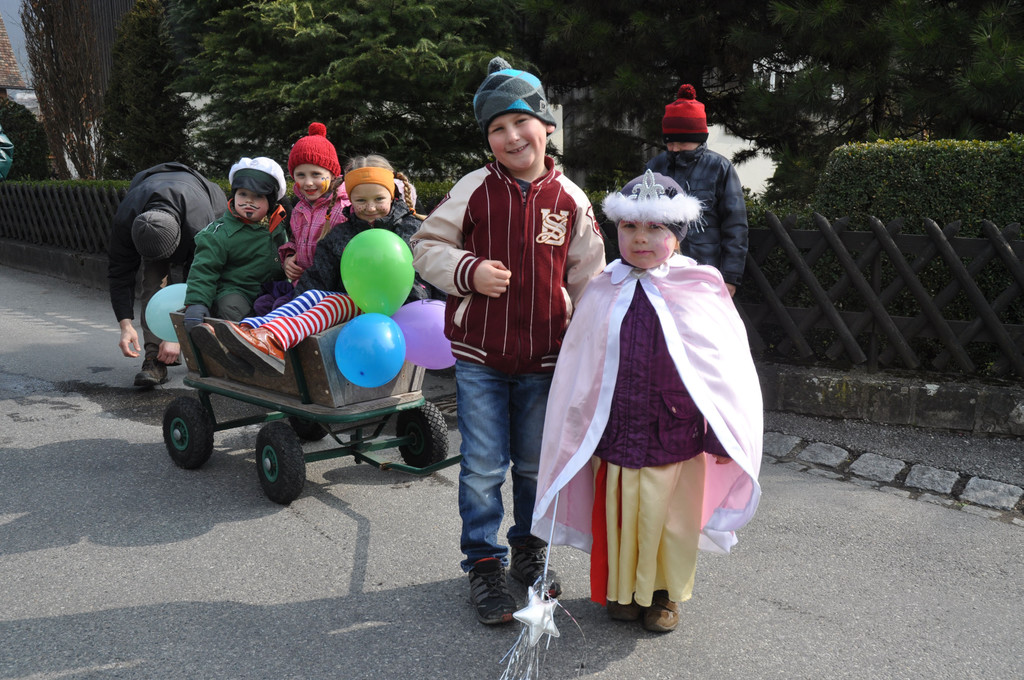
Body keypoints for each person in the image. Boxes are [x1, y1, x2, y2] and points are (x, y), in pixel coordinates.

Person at [410, 57, 606, 626]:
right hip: (481, 357)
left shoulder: (571, 199)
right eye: (497, 128)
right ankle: (483, 562)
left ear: (546, 126)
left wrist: (594, 346)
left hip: (546, 361)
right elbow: (426, 247)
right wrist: (469, 271)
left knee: (534, 467)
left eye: (521, 121)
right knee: (482, 466)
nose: (511, 136)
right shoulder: (473, 188)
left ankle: (528, 551)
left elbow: (590, 280)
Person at [531, 170, 762, 633]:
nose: (640, 238)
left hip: (675, 430)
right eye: (630, 227)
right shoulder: (602, 287)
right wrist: (578, 425)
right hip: (616, 429)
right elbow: (580, 366)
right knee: (621, 515)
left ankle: (664, 595)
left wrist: (720, 432)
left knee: (670, 519)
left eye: (655, 227)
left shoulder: (699, 287)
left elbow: (724, 370)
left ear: (677, 234)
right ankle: (623, 592)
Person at [193, 155, 428, 375]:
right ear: (351, 199)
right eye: (360, 200)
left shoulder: (409, 228)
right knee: (313, 295)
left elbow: (423, 274)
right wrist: (297, 300)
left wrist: (416, 299)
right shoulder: (342, 233)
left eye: (379, 199)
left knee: (333, 303)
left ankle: (273, 341)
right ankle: (249, 331)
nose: (370, 207)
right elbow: (318, 275)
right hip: (355, 303)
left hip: (396, 306)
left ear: (392, 195)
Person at [106, 162, 227, 387]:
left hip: (201, 205)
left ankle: (201, 353)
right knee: (152, 281)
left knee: (199, 291)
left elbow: (202, 282)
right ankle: (154, 359)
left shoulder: (201, 225)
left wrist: (176, 336)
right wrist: (125, 325)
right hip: (151, 198)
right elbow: (119, 274)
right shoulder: (126, 221)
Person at [644, 84, 748, 296]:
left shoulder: (720, 168)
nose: (674, 148)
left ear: (699, 139)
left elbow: (735, 226)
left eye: (682, 143)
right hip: (659, 271)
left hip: (705, 271)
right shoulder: (655, 167)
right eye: (669, 142)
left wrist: (730, 277)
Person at [182, 157, 288, 335]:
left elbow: (286, 253)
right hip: (236, 290)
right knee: (231, 308)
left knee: (289, 308)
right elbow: (204, 270)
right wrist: (197, 303)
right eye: (243, 194)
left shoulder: (277, 225)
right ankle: (240, 344)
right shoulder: (218, 233)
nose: (249, 201)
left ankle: (275, 342)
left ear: (270, 202)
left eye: (258, 196)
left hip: (272, 289)